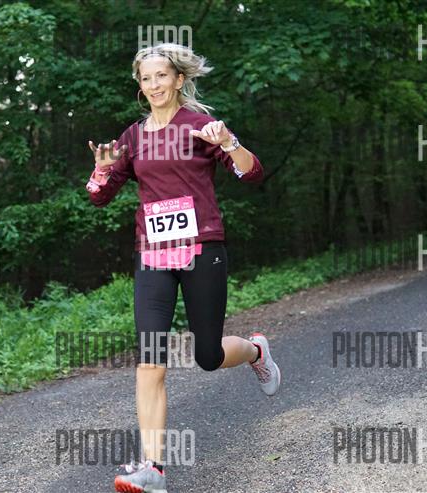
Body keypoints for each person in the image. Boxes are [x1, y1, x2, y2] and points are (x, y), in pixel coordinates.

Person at [86, 43, 281, 493]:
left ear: (178, 80)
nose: (154, 85)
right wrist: (102, 170)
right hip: (152, 255)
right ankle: (152, 468)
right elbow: (100, 196)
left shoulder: (199, 127)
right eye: (146, 78)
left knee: (207, 356)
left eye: (161, 76)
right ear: (140, 86)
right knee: (149, 360)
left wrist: (228, 143)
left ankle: (256, 352)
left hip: (201, 249)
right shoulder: (133, 137)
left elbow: (252, 173)